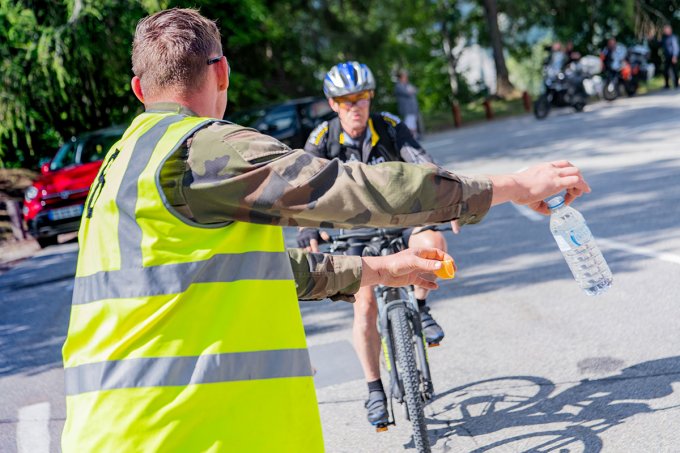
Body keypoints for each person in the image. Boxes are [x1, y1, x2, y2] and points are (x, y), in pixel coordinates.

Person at [60, 8, 590, 452]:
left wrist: (381, 269)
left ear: (138, 89)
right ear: (222, 73)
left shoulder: (121, 166)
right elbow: (352, 191)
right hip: (188, 433)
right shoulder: (201, 151)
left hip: (115, 431)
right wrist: (511, 186)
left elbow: (251, 273)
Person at [301, 61, 452, 427]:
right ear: (334, 103)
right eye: (346, 99)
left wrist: (450, 193)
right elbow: (303, 189)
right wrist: (305, 230)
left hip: (399, 221)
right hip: (351, 233)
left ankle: (421, 305)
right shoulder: (322, 138)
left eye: (362, 97)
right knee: (363, 304)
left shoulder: (388, 126)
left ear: (370, 97)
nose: (356, 105)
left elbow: (423, 164)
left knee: (433, 240)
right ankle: (374, 389)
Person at [394, 69, 422, 138]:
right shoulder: (398, 86)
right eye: (404, 77)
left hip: (413, 109)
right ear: (401, 77)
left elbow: (415, 90)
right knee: (408, 125)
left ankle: (413, 137)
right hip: (407, 109)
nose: (406, 78)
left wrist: (412, 90)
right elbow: (407, 93)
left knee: (413, 124)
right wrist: (411, 90)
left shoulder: (408, 85)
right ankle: (409, 138)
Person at [660, 24, 679, 89]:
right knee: (665, 71)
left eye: (667, 29)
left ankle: (676, 84)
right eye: (665, 30)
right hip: (667, 57)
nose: (665, 31)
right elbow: (659, 44)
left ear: (670, 30)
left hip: (672, 57)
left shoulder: (673, 37)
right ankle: (667, 85)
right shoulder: (664, 38)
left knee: (674, 71)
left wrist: (675, 56)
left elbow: (675, 47)